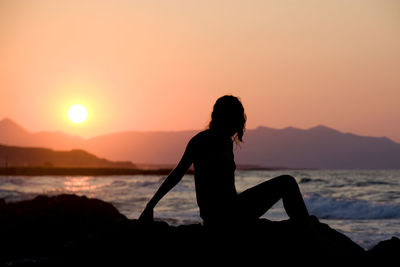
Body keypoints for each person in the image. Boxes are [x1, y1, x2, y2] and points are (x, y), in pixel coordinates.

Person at [139, 95, 311, 227]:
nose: (238, 125)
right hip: (221, 217)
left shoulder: (226, 142)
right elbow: (177, 174)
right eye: (235, 119)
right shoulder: (200, 141)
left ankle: (304, 225)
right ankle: (306, 228)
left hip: (232, 209)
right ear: (224, 118)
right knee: (287, 182)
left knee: (286, 183)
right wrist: (151, 205)